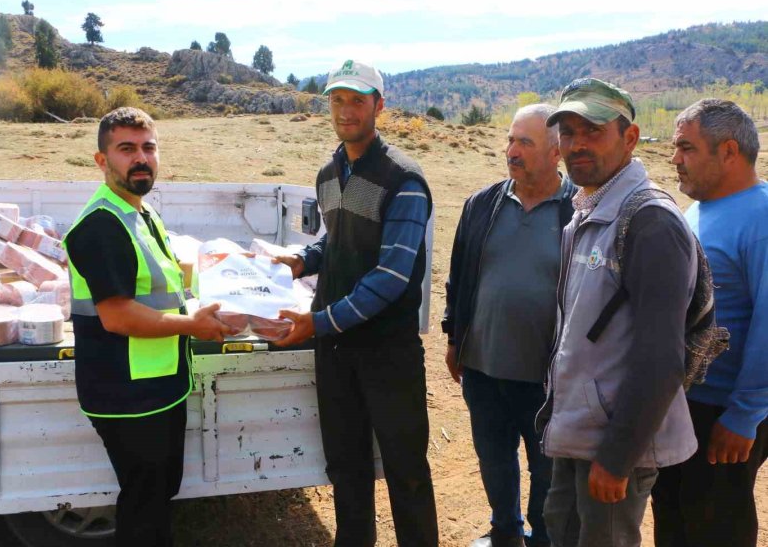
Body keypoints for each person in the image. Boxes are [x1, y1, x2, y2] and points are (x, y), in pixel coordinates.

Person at [274, 59, 438, 546]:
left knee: (406, 469)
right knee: (346, 468)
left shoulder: (403, 180)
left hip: (386, 353)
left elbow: (390, 276)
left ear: (378, 107)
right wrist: (301, 261)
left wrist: (319, 322)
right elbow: (339, 241)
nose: (346, 111)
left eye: (358, 101)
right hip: (337, 352)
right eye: (337, 99)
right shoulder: (329, 172)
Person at [537, 78, 698, 547]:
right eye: (567, 132)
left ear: (629, 138)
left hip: (612, 445)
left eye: (593, 130)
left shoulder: (650, 222)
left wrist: (618, 455)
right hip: (578, 432)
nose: (576, 145)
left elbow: (662, 359)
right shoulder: (588, 210)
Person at [64, 107, 229, 546]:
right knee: (144, 503)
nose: (141, 158)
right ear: (102, 160)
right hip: (127, 394)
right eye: (126, 149)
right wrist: (192, 325)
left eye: (148, 148)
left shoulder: (142, 214)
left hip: (157, 387)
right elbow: (116, 316)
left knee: (157, 495)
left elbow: (166, 283)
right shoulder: (103, 225)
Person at [443, 103, 575, 547]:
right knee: (495, 461)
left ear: (556, 152)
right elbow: (458, 274)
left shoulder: (577, 210)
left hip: (546, 379)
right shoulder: (482, 204)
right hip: (481, 368)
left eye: (525, 142)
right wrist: (452, 336)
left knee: (546, 469)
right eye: (510, 140)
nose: (511, 151)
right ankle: (505, 532)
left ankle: (541, 538)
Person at [650, 99, 768, 547]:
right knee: (676, 516)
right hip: (682, 405)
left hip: (723, 411)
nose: (675, 158)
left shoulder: (762, 216)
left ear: (729, 152)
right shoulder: (697, 209)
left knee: (716, 525)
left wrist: (745, 414)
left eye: (687, 147)